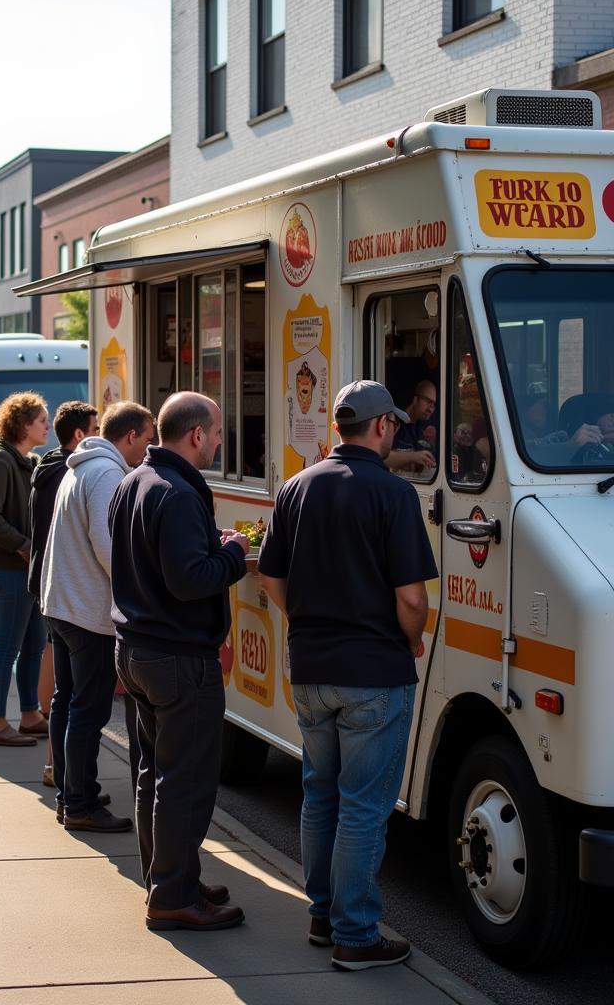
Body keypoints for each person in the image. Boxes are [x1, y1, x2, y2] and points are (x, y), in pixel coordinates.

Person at [257, 379, 437, 971]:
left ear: (339, 427)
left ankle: (322, 913)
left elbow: (271, 579)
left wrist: (309, 622)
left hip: (310, 667)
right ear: (384, 426)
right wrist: (411, 639)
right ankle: (355, 935)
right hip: (374, 671)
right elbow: (411, 599)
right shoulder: (393, 495)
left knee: (320, 792)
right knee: (363, 804)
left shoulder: (295, 489)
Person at [109, 391, 249, 932]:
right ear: (196, 435)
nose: (217, 442)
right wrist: (234, 555)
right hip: (176, 656)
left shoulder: (135, 481)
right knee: (183, 780)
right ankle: (172, 894)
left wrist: (212, 544)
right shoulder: (179, 492)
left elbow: (158, 554)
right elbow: (190, 579)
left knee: (155, 773)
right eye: (215, 434)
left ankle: (169, 877)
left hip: (137, 650)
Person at [43, 401, 154, 832]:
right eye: (146, 439)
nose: (148, 449)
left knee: (67, 703)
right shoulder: (108, 472)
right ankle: (80, 803)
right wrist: (141, 588)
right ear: (129, 437)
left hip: (62, 603)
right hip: (86, 609)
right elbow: (109, 546)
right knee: (87, 710)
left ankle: (71, 792)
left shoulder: (82, 465)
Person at [28, 400, 99, 787]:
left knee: (60, 684)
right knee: (67, 687)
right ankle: (58, 768)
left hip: (46, 578)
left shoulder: (50, 465)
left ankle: (55, 765)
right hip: (62, 585)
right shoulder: (71, 473)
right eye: (96, 427)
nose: (100, 433)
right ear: (79, 435)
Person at [0, 392, 50, 747]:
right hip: (10, 568)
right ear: (22, 424)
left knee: (34, 644)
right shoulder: (1, 460)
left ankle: (30, 714)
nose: (47, 425)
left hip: (28, 568)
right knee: (6, 645)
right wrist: (23, 545)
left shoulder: (29, 460)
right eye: (41, 420)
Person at [386, 380, 437, 474]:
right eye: (428, 402)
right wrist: (414, 457)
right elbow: (382, 457)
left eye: (433, 405)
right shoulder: (394, 421)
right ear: (415, 400)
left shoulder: (422, 428)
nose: (431, 409)